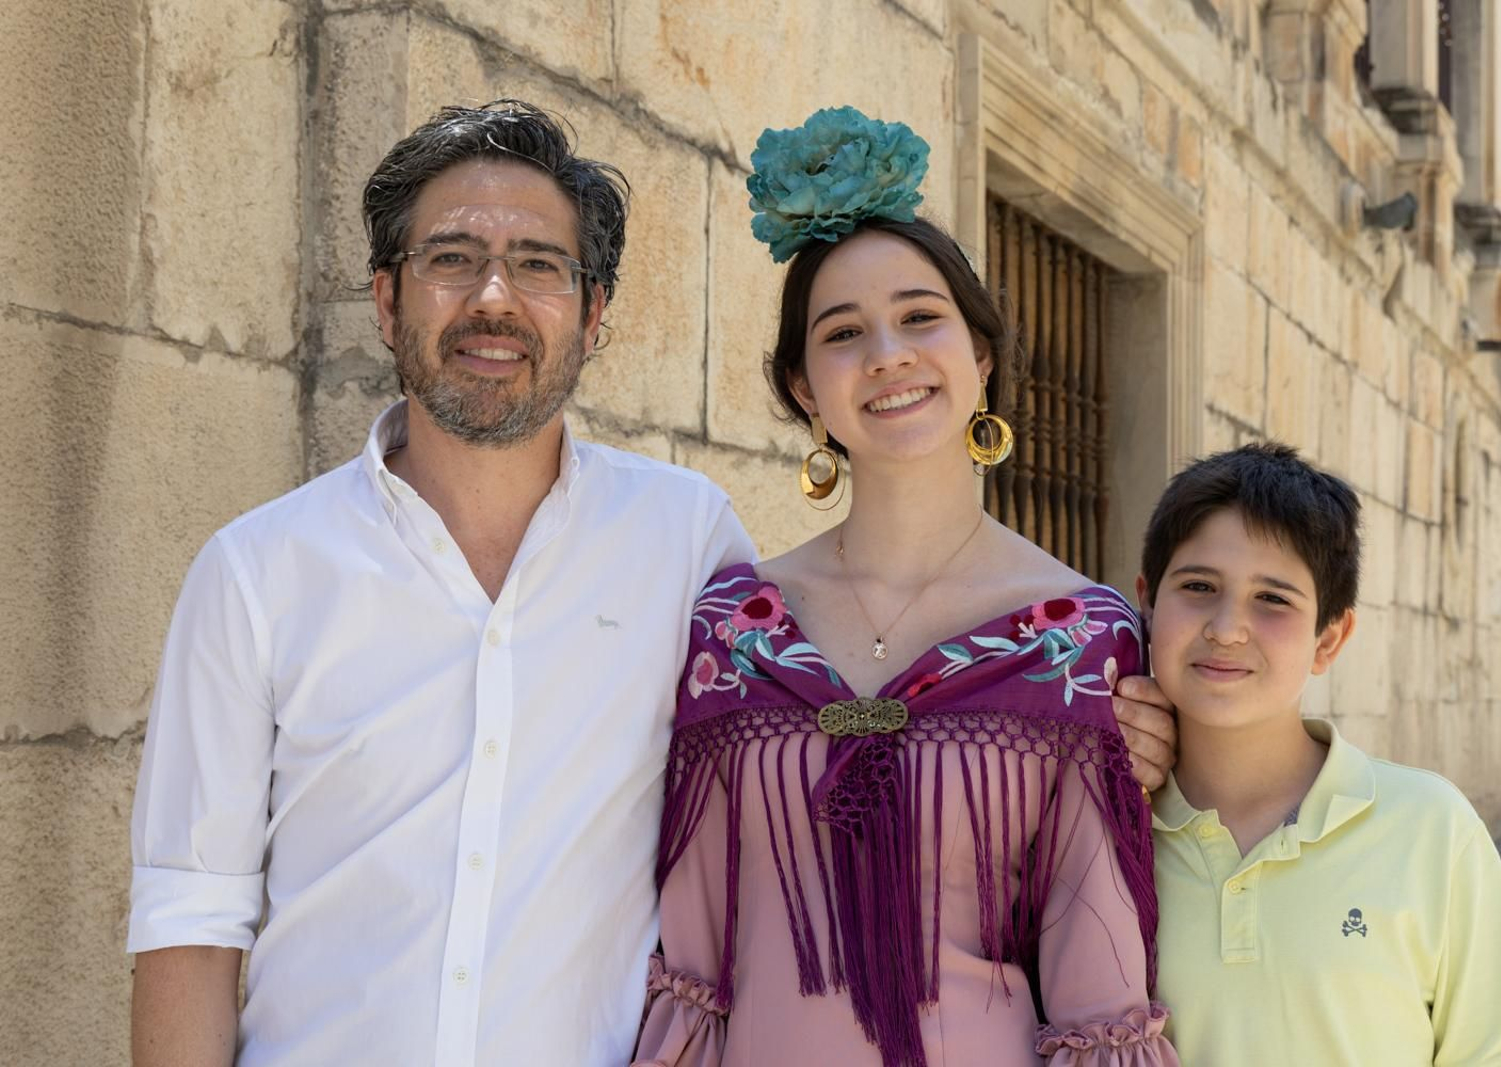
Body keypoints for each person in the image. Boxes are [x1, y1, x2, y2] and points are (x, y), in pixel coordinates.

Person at [126, 101, 1179, 1066]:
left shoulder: (685, 546)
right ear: (387, 294)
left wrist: (1137, 733)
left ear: (592, 316)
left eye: (539, 263)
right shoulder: (257, 573)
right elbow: (189, 922)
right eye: (452, 256)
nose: (494, 296)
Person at [634, 107, 1179, 1067]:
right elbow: (696, 954)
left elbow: (1097, 969)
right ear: (805, 387)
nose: (888, 353)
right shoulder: (732, 630)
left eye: (921, 316)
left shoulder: (1088, 642)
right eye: (843, 332)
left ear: (982, 356)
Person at [1136, 444, 1501, 1065]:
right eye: (1199, 586)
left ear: (1329, 638)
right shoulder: (1101, 828)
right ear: (1147, 602)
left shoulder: (1429, 828)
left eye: (1273, 599)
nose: (1227, 628)